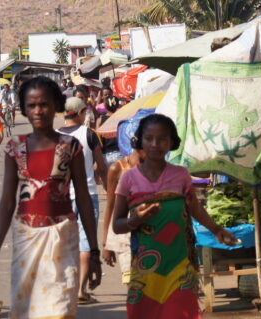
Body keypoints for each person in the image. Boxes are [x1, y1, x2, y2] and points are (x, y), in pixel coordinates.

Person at [0, 77, 102, 319]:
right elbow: (7, 202)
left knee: (60, 310)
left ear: (56, 105)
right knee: (25, 311)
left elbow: (83, 199)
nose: (38, 111)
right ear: (24, 109)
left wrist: (95, 252)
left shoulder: (71, 147)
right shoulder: (15, 148)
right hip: (26, 240)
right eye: (32, 105)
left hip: (62, 239)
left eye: (44, 104)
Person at [112, 114, 236, 319]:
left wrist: (217, 230)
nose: (155, 144)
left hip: (180, 266)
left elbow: (195, 209)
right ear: (139, 140)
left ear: (171, 142)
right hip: (146, 273)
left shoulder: (181, 175)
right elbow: (117, 225)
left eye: (162, 139)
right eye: (149, 138)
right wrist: (136, 220)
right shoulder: (128, 178)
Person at [59, 97, 107, 304]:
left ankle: (65, 290)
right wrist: (106, 183)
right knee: (86, 244)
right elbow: (101, 164)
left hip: (62, 198)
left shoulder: (55, 136)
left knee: (64, 245)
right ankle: (81, 290)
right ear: (80, 113)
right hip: (87, 195)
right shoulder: (89, 135)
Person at [100, 148, 144, 285]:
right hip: (125, 235)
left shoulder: (155, 168)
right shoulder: (117, 168)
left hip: (151, 234)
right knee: (133, 283)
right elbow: (111, 206)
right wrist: (107, 244)